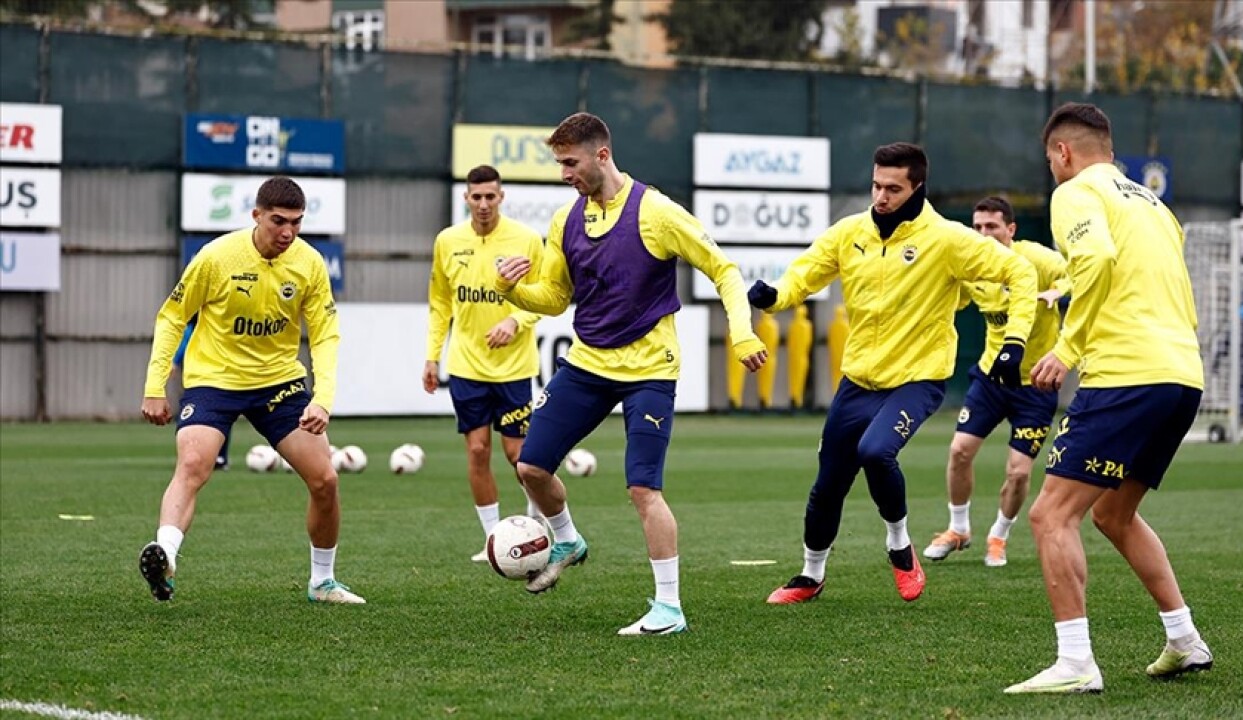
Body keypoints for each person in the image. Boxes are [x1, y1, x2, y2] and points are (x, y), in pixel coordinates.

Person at [494, 112, 768, 635]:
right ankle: (567, 540)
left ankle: (669, 608)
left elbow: (724, 270)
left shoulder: (656, 212)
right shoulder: (566, 220)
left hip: (649, 370)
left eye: (570, 163)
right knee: (530, 467)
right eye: (559, 164)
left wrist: (742, 333)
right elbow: (554, 297)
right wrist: (511, 291)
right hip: (587, 364)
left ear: (601, 155)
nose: (564, 175)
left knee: (643, 489)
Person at [748, 143, 1038, 606]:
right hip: (859, 380)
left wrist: (1015, 341)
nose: (881, 196)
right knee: (828, 483)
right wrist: (775, 296)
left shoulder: (947, 239)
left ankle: (900, 546)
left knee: (875, 450)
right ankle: (810, 575)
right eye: (876, 185)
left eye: (893, 188)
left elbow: (1020, 273)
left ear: (917, 187)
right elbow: (803, 275)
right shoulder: (850, 232)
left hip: (917, 379)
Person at [1005, 103, 1211, 694]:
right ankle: (1184, 639)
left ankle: (1075, 664)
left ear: (1063, 152)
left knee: (1050, 514)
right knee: (1113, 513)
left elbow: (1095, 257)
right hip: (1181, 375)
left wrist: (1067, 348)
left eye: (1050, 160)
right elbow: (1144, 276)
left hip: (1126, 374)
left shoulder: (1075, 192)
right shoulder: (1154, 205)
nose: (1052, 170)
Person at [138, 176, 363, 605]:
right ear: (256, 215)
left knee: (325, 480)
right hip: (214, 380)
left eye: (296, 222)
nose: (288, 232)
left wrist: (322, 399)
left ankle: (322, 581)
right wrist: (154, 386)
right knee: (193, 463)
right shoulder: (216, 257)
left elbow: (325, 334)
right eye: (278, 221)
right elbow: (172, 317)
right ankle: (164, 556)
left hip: (278, 383)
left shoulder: (309, 264)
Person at [924, 196, 1070, 568]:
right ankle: (958, 529)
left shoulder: (1035, 259)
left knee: (1018, 472)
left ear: (1011, 229)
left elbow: (1078, 272)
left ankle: (999, 536)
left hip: (1036, 384)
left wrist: (1058, 291)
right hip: (991, 378)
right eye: (977, 227)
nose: (983, 234)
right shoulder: (974, 266)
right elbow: (951, 293)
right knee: (959, 451)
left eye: (992, 226)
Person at [424, 164, 548, 563]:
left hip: (514, 367)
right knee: (478, 451)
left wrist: (515, 321)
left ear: (501, 197)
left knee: (519, 456)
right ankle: (494, 540)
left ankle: (537, 524)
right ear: (466, 198)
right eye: (475, 197)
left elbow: (546, 295)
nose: (482, 204)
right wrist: (432, 355)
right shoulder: (448, 241)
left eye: (489, 196)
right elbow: (440, 303)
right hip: (466, 365)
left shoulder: (526, 240)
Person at [172, 316, 232, 470]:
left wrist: (175, 361)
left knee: (217, 414)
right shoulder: (196, 323)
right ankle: (207, 456)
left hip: (214, 374)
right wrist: (176, 361)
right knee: (198, 414)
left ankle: (217, 456)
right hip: (201, 374)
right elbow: (186, 337)